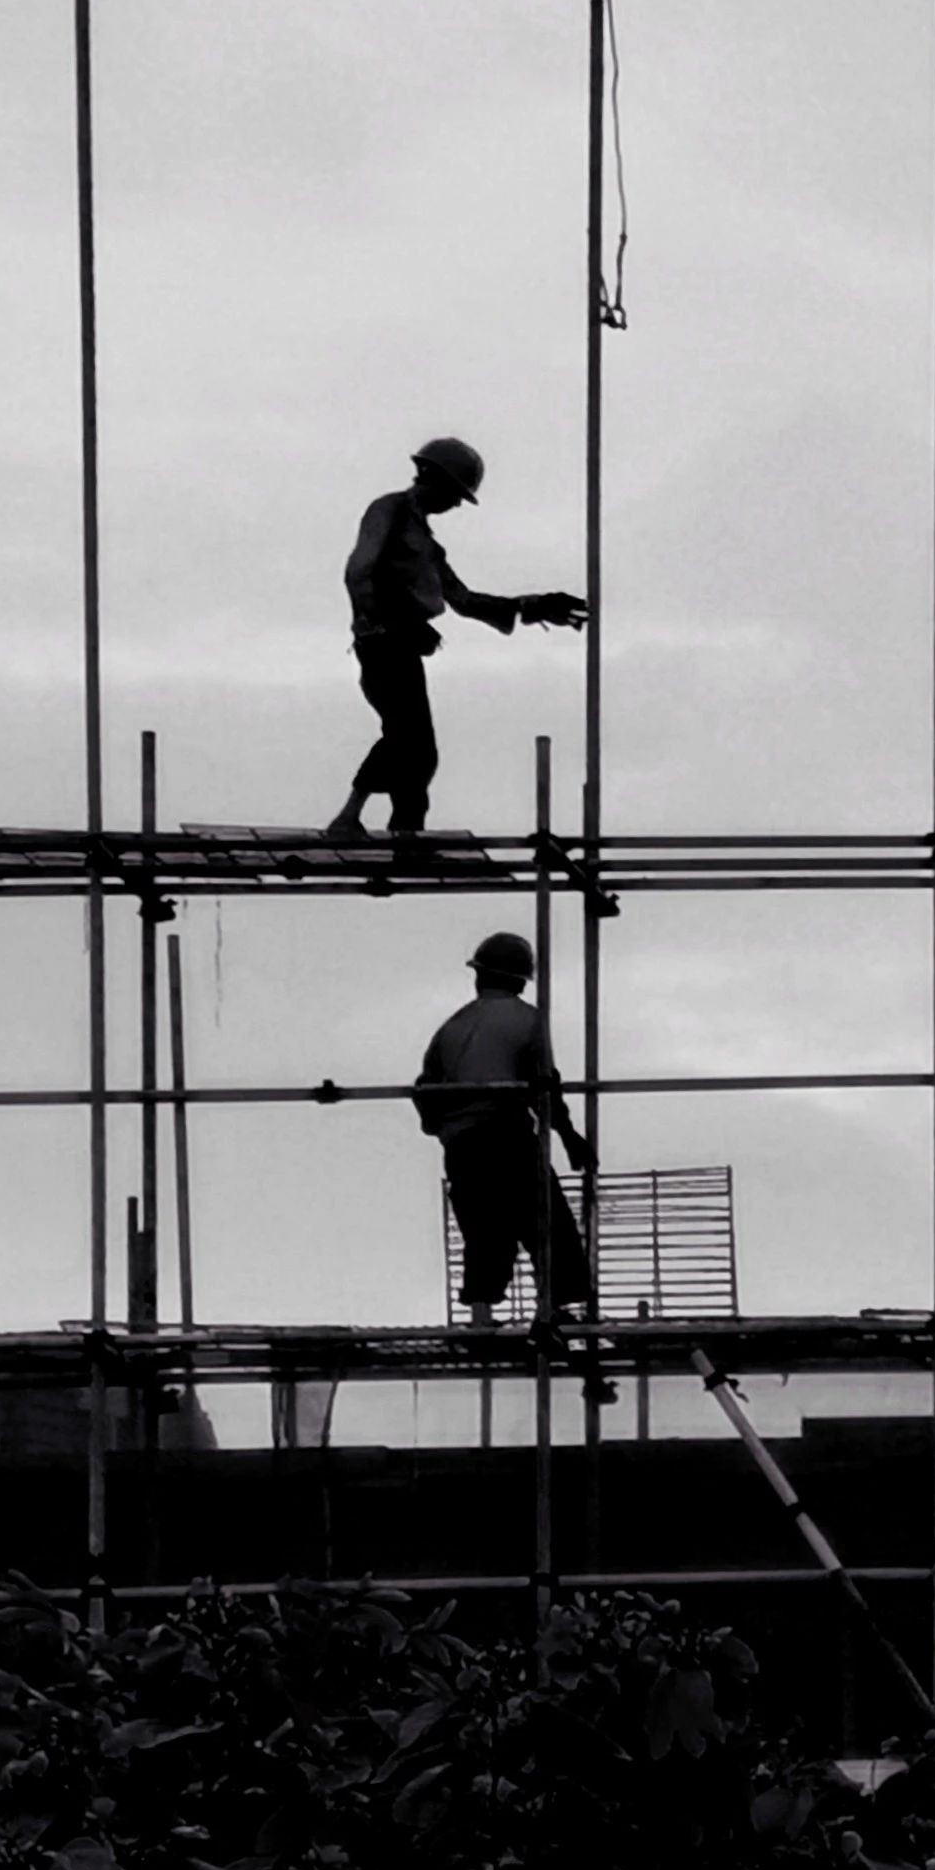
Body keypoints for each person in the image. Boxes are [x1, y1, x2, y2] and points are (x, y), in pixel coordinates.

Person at [326, 437, 586, 842]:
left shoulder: (429, 546)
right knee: (406, 737)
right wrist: (381, 623)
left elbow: (465, 600)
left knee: (420, 750)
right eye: (456, 495)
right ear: (436, 480)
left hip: (402, 645)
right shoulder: (389, 510)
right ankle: (350, 820)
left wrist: (535, 606)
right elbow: (359, 571)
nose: (457, 505)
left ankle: (406, 833)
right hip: (381, 642)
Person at [412, 928, 594, 1321]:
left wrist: (444, 1126)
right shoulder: (527, 1020)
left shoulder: (452, 1026)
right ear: (520, 980)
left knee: (483, 1229)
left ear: (480, 975)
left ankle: (481, 1315)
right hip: (504, 1132)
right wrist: (568, 1137)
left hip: (461, 1145)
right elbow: (543, 1084)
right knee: (546, 1222)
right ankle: (551, 1307)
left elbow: (425, 1091)